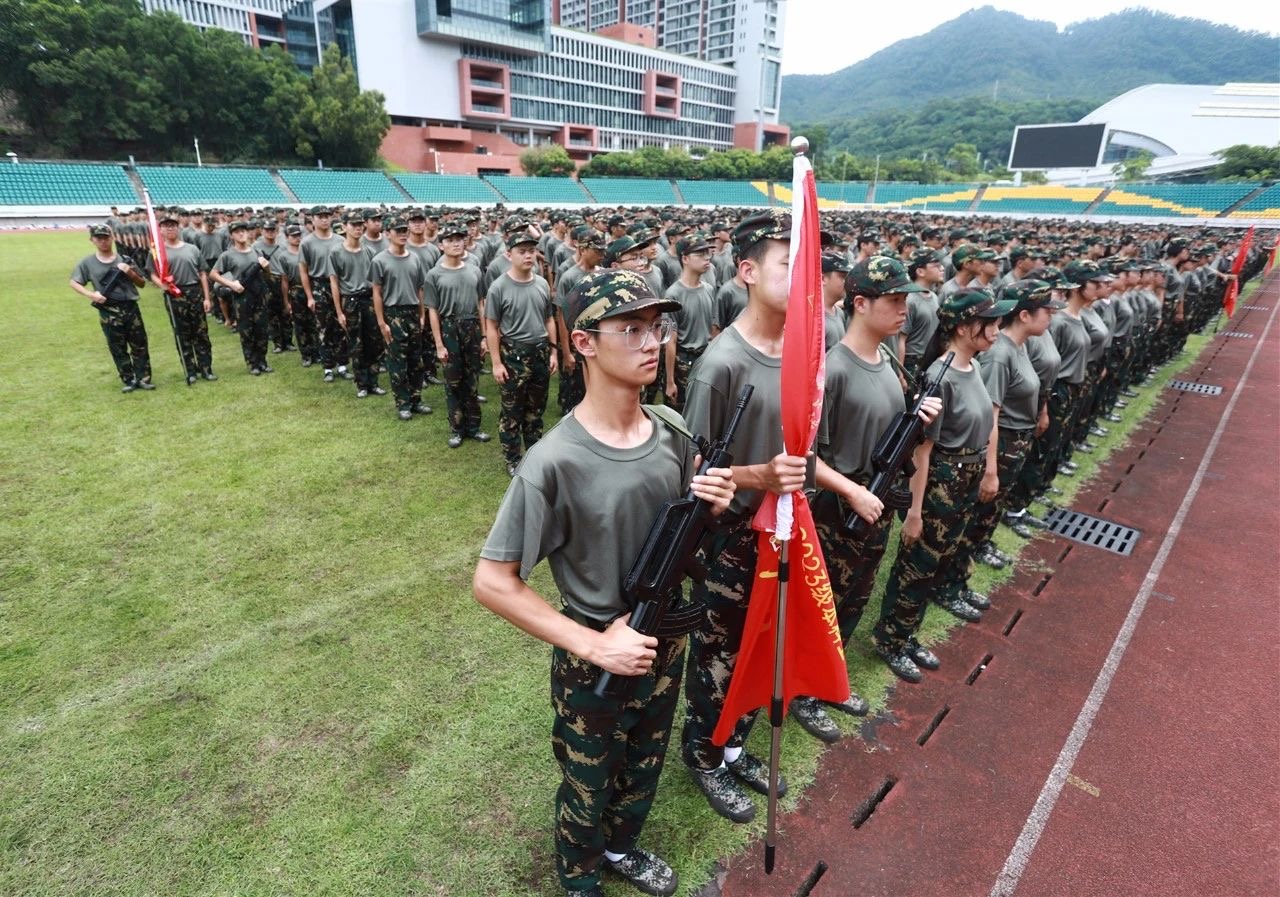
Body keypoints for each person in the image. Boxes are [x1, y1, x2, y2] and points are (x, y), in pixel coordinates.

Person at [473, 269, 735, 897]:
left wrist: (712, 505)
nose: (652, 343)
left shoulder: (670, 430)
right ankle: (580, 872)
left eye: (656, 328)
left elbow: (677, 531)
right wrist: (591, 646)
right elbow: (492, 579)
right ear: (586, 342)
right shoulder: (554, 461)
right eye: (631, 329)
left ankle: (622, 849)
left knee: (644, 762)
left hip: (664, 635)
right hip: (596, 641)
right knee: (589, 778)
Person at [679, 210, 811, 824]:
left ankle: (735, 745)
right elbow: (694, 478)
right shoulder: (721, 364)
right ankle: (706, 754)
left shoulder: (804, 349)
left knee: (768, 643)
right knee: (720, 651)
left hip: (784, 528)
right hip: (730, 536)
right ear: (749, 272)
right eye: (790, 263)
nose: (802, 274)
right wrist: (761, 477)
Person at [800, 256, 941, 740]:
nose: (905, 310)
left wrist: (917, 418)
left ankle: (827, 683)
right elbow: (804, 458)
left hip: (875, 504)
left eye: (907, 300)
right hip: (838, 509)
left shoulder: (890, 363)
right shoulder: (832, 370)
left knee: (854, 600)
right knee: (821, 605)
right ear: (860, 303)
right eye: (895, 300)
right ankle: (803, 691)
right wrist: (852, 491)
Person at [874, 289, 1015, 682]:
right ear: (967, 327)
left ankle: (906, 635)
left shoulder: (972, 366)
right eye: (991, 323)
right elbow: (921, 451)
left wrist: (986, 470)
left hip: (964, 478)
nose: (997, 330)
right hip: (941, 482)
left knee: (936, 562)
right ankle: (892, 639)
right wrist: (914, 513)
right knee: (918, 566)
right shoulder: (940, 375)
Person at [964, 280, 1063, 568]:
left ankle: (982, 543)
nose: (1051, 316)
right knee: (984, 505)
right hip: (1003, 440)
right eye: (1046, 310)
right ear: (1024, 315)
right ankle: (971, 552)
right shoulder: (1000, 353)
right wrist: (991, 470)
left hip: (1017, 439)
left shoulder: (1020, 346)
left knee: (995, 505)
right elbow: (990, 416)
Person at [486, 228, 559, 476]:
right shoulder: (498, 287)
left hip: (539, 352)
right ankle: (513, 458)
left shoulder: (541, 283)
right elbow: (492, 326)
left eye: (531, 251)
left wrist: (553, 352)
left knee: (536, 409)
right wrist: (496, 363)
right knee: (511, 410)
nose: (528, 256)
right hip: (513, 355)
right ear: (509, 255)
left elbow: (549, 319)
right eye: (522, 251)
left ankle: (534, 453)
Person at [426, 220, 490, 447]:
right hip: (449, 328)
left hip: (471, 326)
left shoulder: (474, 269)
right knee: (453, 381)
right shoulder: (434, 274)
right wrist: (439, 344)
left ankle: (474, 426)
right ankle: (457, 427)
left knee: (471, 380)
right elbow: (432, 311)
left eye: (459, 239)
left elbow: (481, 304)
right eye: (450, 240)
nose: (456, 244)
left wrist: (484, 337)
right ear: (441, 245)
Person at [69, 223, 154, 392]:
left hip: (130, 307)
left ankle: (143, 377)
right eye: (99, 238)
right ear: (92, 240)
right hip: (108, 310)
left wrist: (129, 272)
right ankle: (128, 379)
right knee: (117, 346)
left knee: (139, 344)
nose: (103, 241)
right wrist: (91, 294)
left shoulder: (124, 259)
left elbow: (142, 283)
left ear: (112, 238)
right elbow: (74, 282)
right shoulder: (87, 262)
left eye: (106, 237)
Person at [372, 215, 432, 421]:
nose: (403, 234)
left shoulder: (415, 258)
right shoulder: (379, 260)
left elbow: (420, 289)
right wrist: (382, 322)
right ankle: (403, 403)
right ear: (388, 234)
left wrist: (422, 315)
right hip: (393, 313)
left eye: (404, 230)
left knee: (416, 360)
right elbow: (377, 293)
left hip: (412, 312)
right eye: (398, 231)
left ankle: (416, 399)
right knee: (397, 361)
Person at [152, 210, 216, 383]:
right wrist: (162, 286)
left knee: (201, 333)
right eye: (166, 227)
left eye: (173, 226)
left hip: (194, 291)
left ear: (178, 228)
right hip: (174, 294)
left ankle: (206, 368)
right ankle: (190, 370)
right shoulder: (159, 252)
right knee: (182, 334)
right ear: (161, 231)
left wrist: (207, 297)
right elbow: (152, 274)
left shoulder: (192, 249)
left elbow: (203, 273)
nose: (170, 229)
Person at [660, 234, 717, 411]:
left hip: (705, 357)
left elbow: (712, 328)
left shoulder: (708, 289)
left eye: (707, 254)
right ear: (685, 258)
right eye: (699, 254)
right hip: (683, 361)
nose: (706, 258)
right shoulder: (673, 294)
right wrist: (670, 381)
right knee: (681, 412)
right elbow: (671, 341)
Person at [330, 212, 383, 397]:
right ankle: (361, 384)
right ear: (344, 227)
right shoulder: (336, 252)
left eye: (360, 224)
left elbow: (376, 283)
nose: (358, 228)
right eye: (353, 224)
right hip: (351, 301)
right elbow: (334, 282)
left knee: (374, 343)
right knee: (356, 344)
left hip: (368, 299)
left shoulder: (369, 251)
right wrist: (339, 311)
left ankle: (373, 382)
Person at [210, 221, 273, 375]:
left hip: (259, 295)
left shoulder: (256, 251)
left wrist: (267, 267)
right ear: (232, 235)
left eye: (243, 230)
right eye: (237, 231)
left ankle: (262, 361)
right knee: (246, 331)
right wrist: (231, 284)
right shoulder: (227, 255)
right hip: (242, 297)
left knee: (262, 330)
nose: (241, 234)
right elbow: (213, 274)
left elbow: (267, 276)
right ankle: (252, 364)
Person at [299, 206, 350, 383]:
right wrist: (310, 296)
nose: (324, 220)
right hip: (320, 285)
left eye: (327, 216)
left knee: (342, 324)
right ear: (312, 219)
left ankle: (343, 364)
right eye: (320, 217)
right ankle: (328, 366)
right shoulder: (307, 242)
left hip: (340, 285)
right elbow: (304, 271)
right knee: (324, 327)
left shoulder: (340, 239)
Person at [274, 222, 321, 367]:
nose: (297, 238)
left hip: (311, 289)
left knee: (314, 323)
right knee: (300, 325)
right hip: (296, 291)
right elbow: (284, 280)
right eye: (293, 236)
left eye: (298, 235)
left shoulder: (307, 251)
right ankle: (306, 355)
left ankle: (316, 352)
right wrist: (286, 301)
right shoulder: (283, 256)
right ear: (287, 238)